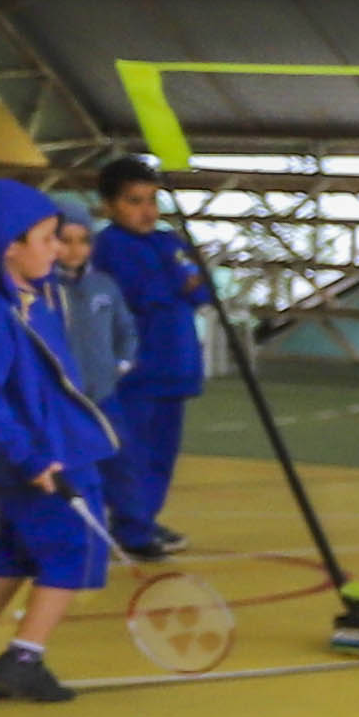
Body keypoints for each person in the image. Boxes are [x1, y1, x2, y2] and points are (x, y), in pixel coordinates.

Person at [0, 173, 119, 703]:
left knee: (12, 550)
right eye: (46, 239)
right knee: (72, 550)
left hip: (45, 449)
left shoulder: (34, 297)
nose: (58, 248)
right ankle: (24, 658)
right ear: (7, 248)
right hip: (43, 457)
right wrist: (31, 455)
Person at [85, 163, 216, 559]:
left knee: (161, 454)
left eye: (153, 200)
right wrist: (182, 279)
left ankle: (143, 517)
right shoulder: (110, 246)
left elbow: (199, 294)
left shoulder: (168, 241)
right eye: (134, 201)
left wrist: (197, 279)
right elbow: (139, 292)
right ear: (108, 206)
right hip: (137, 372)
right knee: (131, 453)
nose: (147, 211)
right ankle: (132, 526)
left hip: (175, 368)